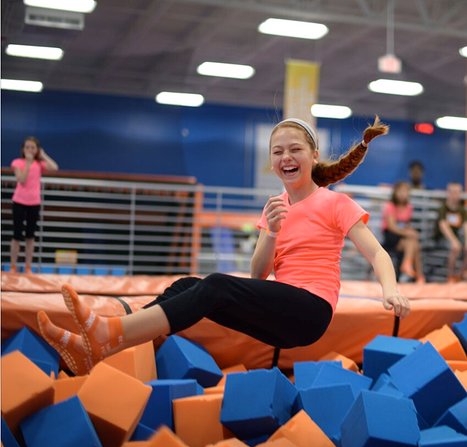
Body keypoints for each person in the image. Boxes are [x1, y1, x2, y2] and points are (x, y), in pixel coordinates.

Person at [36, 116, 410, 376]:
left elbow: (377, 252)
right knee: (185, 287)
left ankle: (108, 333)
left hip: (311, 311)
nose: (286, 158)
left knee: (215, 284)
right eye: (277, 152)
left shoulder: (334, 203)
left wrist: (390, 290)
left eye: (294, 150)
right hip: (280, 313)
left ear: (313, 156)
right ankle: (101, 347)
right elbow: (258, 275)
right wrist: (273, 230)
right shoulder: (275, 208)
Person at [9, 136, 59, 274]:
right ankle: (13, 266)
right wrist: (28, 163)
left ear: (37, 150)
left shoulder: (40, 164)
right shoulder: (17, 162)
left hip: (34, 202)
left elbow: (55, 167)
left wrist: (43, 155)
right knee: (17, 235)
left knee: (30, 236)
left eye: (33, 147)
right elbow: (22, 180)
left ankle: (28, 267)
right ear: (23, 149)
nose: (30, 150)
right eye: (27, 147)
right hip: (19, 201)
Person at [381, 181, 424, 282]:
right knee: (413, 244)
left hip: (402, 237)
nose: (402, 194)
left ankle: (408, 266)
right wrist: (408, 233)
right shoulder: (390, 206)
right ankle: (419, 276)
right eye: (400, 191)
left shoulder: (409, 207)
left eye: (405, 191)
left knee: (414, 243)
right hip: (391, 237)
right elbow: (392, 227)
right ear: (395, 192)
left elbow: (406, 224)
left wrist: (412, 232)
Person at [434, 182, 466, 282]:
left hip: (457, 237)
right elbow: (444, 226)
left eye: (457, 192)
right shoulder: (442, 209)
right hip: (442, 238)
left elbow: (465, 226)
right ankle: (450, 276)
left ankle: (461, 274)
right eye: (452, 192)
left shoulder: (462, 210)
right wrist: (453, 241)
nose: (454, 195)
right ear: (448, 193)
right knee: (455, 247)